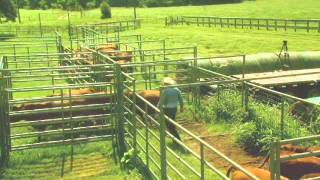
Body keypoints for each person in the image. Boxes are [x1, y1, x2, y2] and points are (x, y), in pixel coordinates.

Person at [158, 77, 184, 143]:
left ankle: (177, 140)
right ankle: (174, 139)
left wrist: (157, 107)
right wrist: (181, 107)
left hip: (167, 109)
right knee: (171, 122)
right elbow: (181, 100)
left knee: (170, 125)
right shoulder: (176, 90)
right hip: (174, 108)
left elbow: (161, 101)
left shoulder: (165, 91)